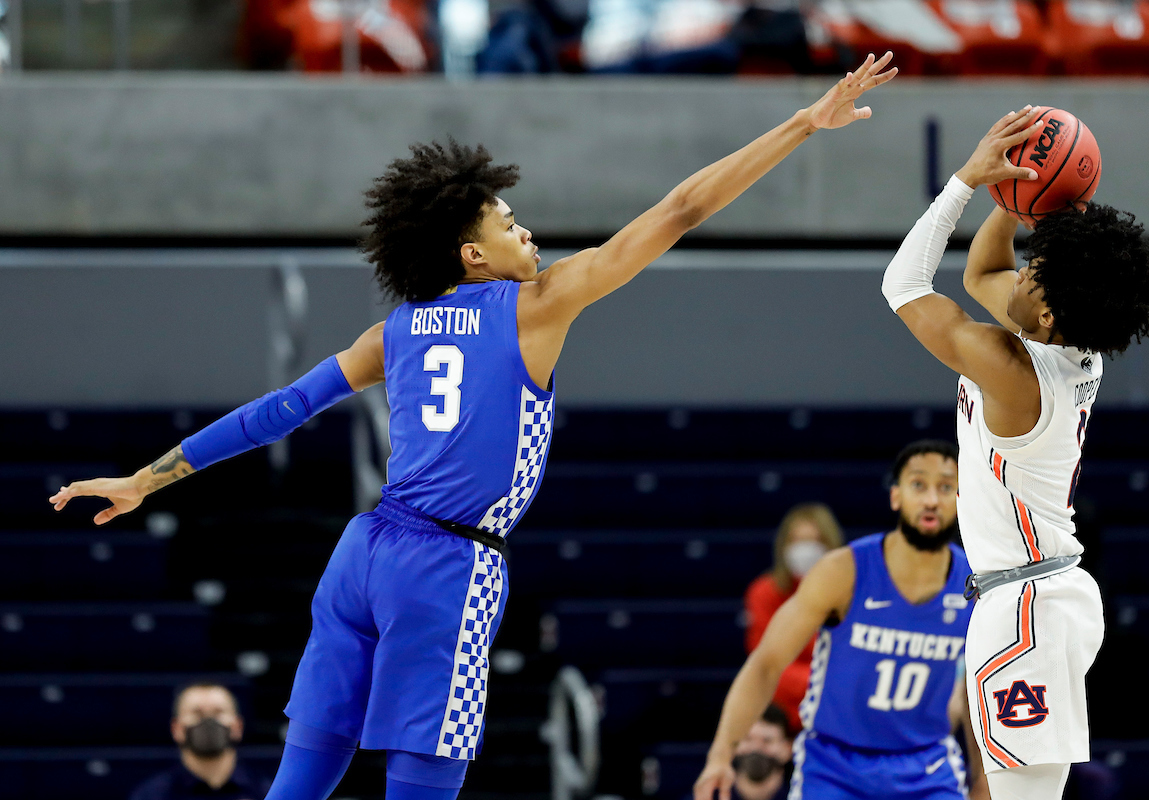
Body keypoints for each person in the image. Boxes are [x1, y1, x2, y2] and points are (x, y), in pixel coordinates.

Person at [48, 52, 898, 800]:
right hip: (448, 565)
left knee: (300, 780)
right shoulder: (539, 304)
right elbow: (677, 211)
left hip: (362, 553)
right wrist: (802, 123)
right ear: (473, 255)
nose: (525, 228)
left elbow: (279, 413)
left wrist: (144, 478)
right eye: (506, 221)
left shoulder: (395, 332)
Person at [877, 107, 1149, 800]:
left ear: (1048, 314)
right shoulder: (1065, 342)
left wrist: (966, 181)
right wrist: (1014, 196)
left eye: (1040, 270)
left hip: (1027, 603)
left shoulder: (1015, 369)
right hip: (1038, 595)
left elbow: (903, 286)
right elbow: (985, 271)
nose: (1023, 272)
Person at [694, 441, 989, 800]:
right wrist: (721, 754)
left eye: (945, 486)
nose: (931, 499)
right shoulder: (843, 572)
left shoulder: (975, 584)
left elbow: (981, 693)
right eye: (918, 484)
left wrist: (983, 782)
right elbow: (765, 665)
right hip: (835, 766)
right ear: (896, 496)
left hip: (926, 766)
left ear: (961, 498)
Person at [743, 504, 844, 733]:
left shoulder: (849, 594)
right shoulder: (765, 592)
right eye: (797, 541)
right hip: (780, 716)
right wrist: (820, 683)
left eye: (814, 541)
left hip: (834, 715)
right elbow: (766, 663)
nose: (805, 549)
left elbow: (848, 661)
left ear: (830, 545)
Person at [129, 682, 272, 800]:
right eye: (197, 713)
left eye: (218, 712)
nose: (208, 720)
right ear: (177, 729)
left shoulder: (265, 792)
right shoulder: (152, 795)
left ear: (237, 727)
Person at [719, 704, 794, 800]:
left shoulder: (805, 795)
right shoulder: (708, 795)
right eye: (748, 739)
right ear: (734, 745)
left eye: (767, 741)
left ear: (787, 748)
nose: (756, 748)